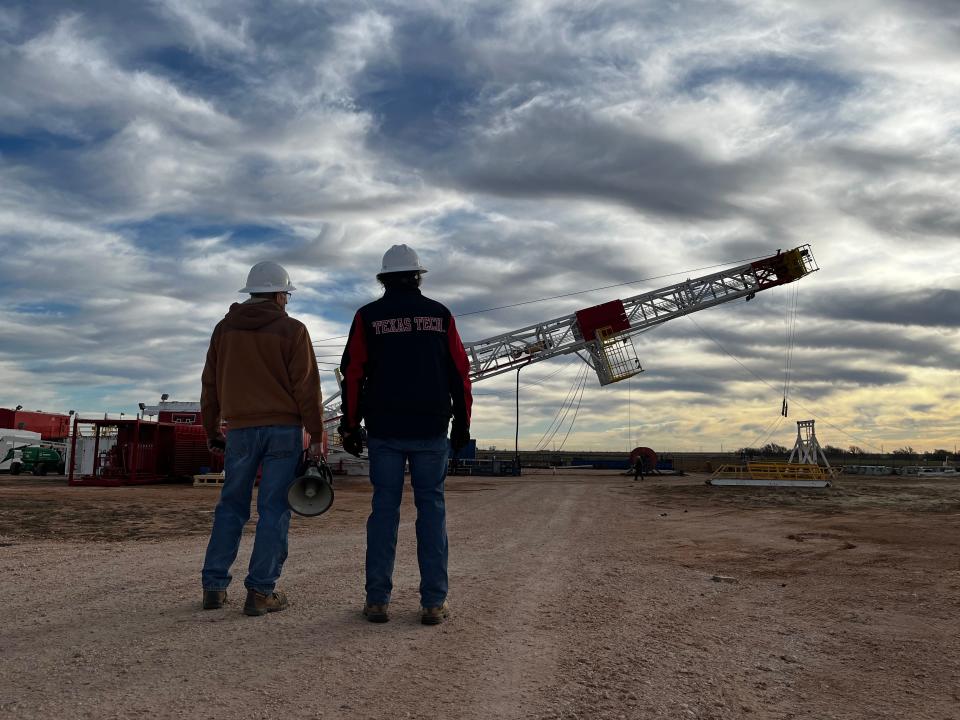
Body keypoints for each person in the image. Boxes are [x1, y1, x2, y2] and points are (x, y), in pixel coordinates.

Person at [339, 244, 472, 625]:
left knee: (384, 510)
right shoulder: (440, 315)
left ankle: (377, 600)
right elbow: (459, 373)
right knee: (432, 510)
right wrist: (462, 424)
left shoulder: (368, 316)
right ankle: (433, 602)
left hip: (385, 430)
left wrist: (350, 424)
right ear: (418, 276)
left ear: (384, 278)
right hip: (431, 428)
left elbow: (353, 373)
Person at [200, 261, 325, 616]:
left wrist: (212, 429)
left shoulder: (224, 330)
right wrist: (315, 434)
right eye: (287, 294)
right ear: (279, 294)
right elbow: (306, 387)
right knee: (274, 510)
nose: (287, 300)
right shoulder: (293, 330)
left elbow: (210, 384)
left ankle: (213, 586)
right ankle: (260, 591)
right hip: (284, 431)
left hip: (239, 430)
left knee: (231, 507)